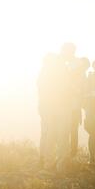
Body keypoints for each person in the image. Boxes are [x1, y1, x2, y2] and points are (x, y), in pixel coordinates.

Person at [37, 42, 76, 172]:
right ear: (67, 52)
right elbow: (54, 85)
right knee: (61, 134)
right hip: (58, 105)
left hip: (51, 105)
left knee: (52, 134)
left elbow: (41, 84)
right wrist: (68, 91)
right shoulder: (58, 65)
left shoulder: (53, 64)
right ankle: (59, 166)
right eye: (72, 53)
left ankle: (50, 164)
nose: (72, 56)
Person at [70, 56, 90, 158]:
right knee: (70, 130)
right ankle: (69, 153)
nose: (84, 70)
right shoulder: (72, 72)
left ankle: (72, 153)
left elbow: (84, 90)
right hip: (69, 107)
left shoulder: (82, 74)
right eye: (84, 67)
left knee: (73, 130)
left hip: (76, 107)